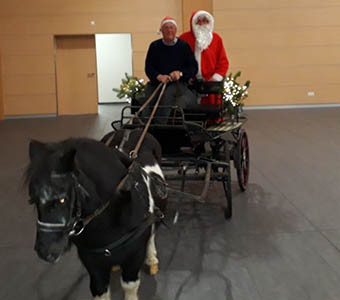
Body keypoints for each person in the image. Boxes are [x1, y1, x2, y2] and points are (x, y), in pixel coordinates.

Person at [142, 16, 198, 123]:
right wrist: (158, 76)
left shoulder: (183, 46)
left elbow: (193, 68)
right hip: (158, 82)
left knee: (167, 94)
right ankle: (145, 124)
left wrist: (180, 73)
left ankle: (160, 125)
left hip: (178, 83)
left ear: (175, 30)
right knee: (148, 94)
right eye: (166, 28)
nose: (169, 30)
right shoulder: (154, 46)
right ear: (161, 31)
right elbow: (149, 67)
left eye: (171, 27)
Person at [179, 10, 229, 109]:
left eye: (205, 21)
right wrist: (186, 76)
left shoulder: (216, 39)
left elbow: (223, 62)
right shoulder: (184, 39)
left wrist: (215, 78)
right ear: (193, 23)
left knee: (212, 108)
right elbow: (179, 61)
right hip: (190, 82)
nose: (202, 24)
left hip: (211, 81)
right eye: (199, 21)